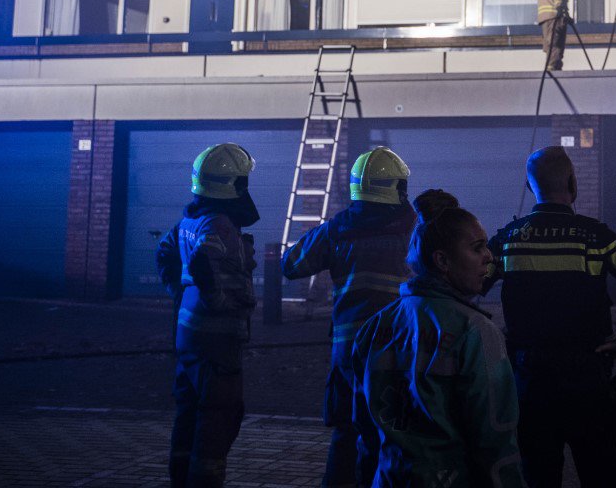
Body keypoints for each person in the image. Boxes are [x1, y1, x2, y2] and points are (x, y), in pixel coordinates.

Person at [489, 146, 616, 488]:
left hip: (530, 383)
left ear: (529, 187)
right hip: (588, 380)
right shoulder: (596, 236)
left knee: (538, 479)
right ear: (573, 183)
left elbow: (465, 287)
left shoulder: (508, 240)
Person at [352, 190, 525, 488]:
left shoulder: (374, 327)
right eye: (477, 248)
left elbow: (365, 432)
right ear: (442, 260)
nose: (489, 256)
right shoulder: (476, 332)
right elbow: (496, 443)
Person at [282, 146, 417, 488]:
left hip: (349, 349)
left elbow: (291, 265)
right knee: (394, 432)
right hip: (399, 348)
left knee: (346, 432)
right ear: (397, 187)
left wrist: (330, 231)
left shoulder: (339, 229)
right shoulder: (413, 228)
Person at [155, 142, 260, 488]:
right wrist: (218, 300)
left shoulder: (191, 219)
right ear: (233, 184)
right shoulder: (219, 224)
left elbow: (165, 253)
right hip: (216, 341)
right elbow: (203, 261)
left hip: (189, 334)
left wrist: (180, 292)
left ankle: (180, 479)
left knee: (188, 413)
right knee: (218, 418)